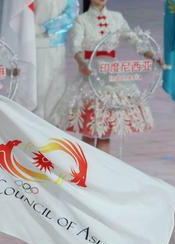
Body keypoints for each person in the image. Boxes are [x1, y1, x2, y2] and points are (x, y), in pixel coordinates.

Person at [50, 0, 162, 154]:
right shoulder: (81, 20)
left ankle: (104, 172)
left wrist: (153, 56)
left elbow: (133, 40)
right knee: (89, 130)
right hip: (91, 73)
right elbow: (76, 46)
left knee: (105, 132)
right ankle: (88, 170)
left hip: (111, 74)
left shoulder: (117, 17)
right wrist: (82, 62)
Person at [34, 0, 76, 119]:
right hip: (37, 46)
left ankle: (51, 129)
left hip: (58, 45)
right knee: (40, 89)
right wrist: (34, 29)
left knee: (57, 88)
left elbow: (71, 14)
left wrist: (46, 27)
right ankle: (36, 127)